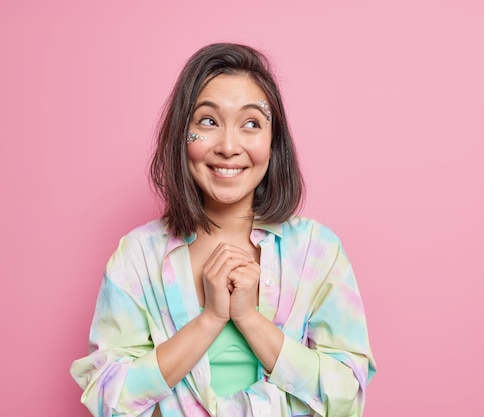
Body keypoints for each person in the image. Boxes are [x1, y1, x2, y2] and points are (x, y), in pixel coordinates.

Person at [70, 43, 376, 417]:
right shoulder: (138, 256)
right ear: (182, 135)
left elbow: (346, 396)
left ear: (273, 141)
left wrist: (249, 319)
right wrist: (210, 319)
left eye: (251, 124)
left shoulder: (316, 251)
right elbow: (108, 399)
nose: (229, 147)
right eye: (208, 122)